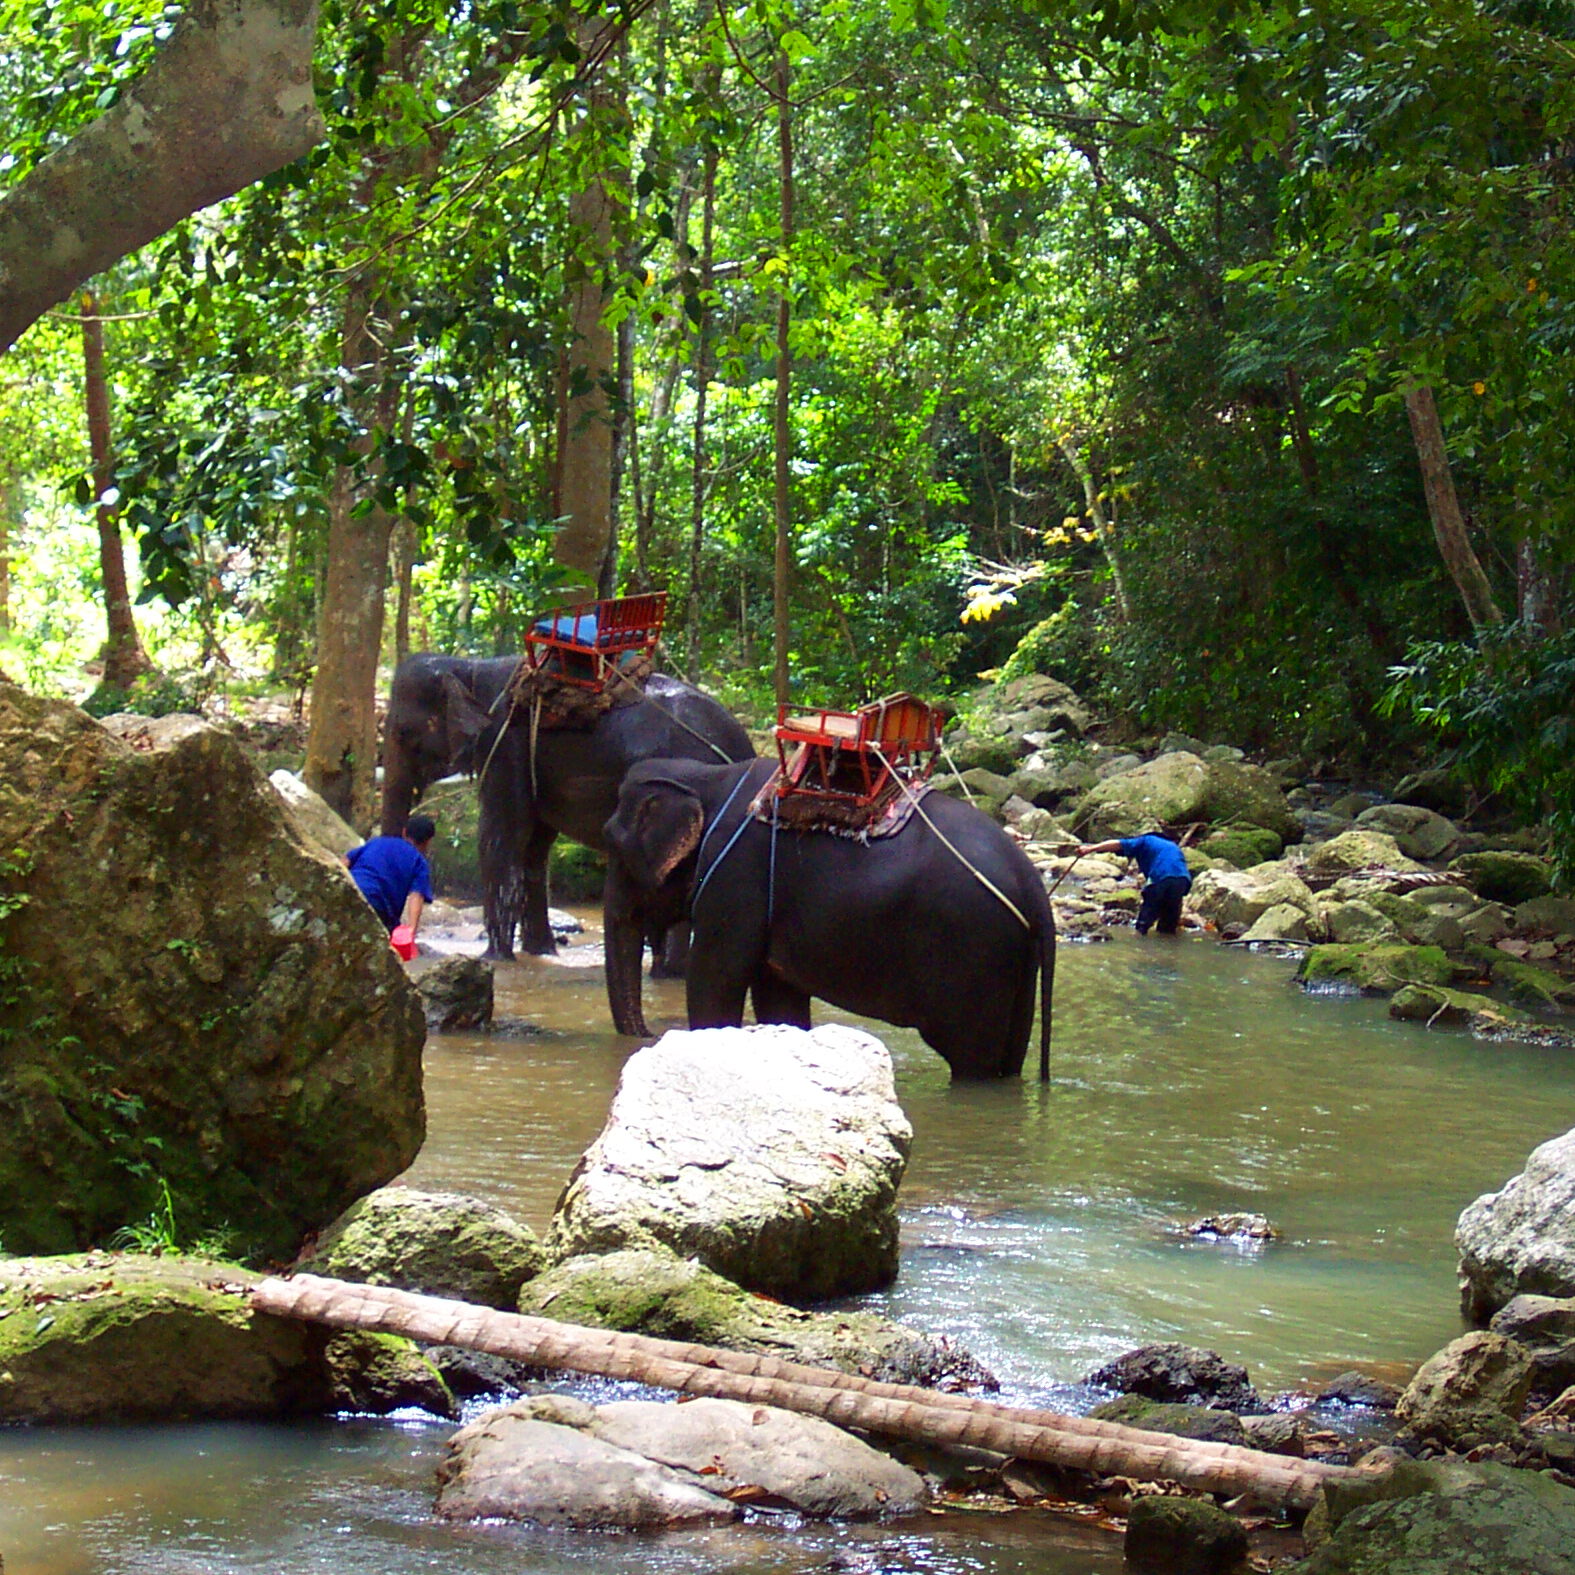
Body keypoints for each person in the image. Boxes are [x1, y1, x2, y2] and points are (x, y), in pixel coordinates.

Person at [1077, 832, 1192, 936]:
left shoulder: (1146, 840)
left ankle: (1140, 941)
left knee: (1144, 923)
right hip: (1182, 879)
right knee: (1168, 926)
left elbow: (1117, 844)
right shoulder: (1173, 846)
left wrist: (1090, 848)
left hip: (1160, 877)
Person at [346, 814, 436, 936]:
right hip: (378, 905)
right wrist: (411, 932)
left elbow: (344, 862)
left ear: (404, 832)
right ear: (428, 842)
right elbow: (417, 897)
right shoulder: (418, 862)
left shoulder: (377, 842)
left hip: (350, 891)